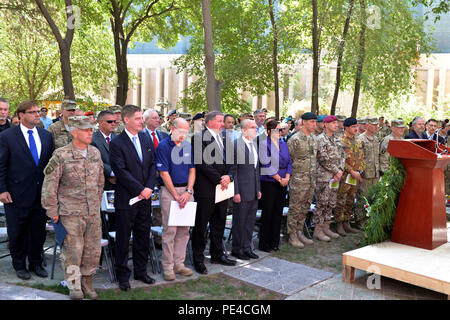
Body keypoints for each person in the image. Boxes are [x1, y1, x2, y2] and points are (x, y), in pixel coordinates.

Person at [41, 116, 103, 300]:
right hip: (70, 213)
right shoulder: (61, 155)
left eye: (91, 130)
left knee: (92, 250)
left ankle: (87, 281)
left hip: (92, 211)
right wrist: (52, 210)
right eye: (86, 130)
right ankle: (74, 285)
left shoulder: (95, 153)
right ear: (74, 132)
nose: (90, 133)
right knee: (73, 251)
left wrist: (96, 202)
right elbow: (49, 184)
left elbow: (100, 181)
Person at [0, 100, 54, 281]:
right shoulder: (7, 136)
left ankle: (36, 263)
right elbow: (1, 165)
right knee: (18, 232)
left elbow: (50, 166)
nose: (37, 114)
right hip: (16, 193)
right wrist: (2, 190)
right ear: (21, 115)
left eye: (38, 111)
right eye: (32, 112)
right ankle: (19, 265)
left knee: (38, 232)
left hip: (41, 194)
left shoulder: (46, 136)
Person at [109, 104, 157, 291]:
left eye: (141, 118)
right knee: (123, 238)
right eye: (137, 118)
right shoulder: (117, 143)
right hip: (126, 199)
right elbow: (120, 171)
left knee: (143, 236)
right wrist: (140, 189)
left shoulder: (145, 139)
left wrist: (148, 188)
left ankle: (141, 271)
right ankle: (122, 275)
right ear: (126, 120)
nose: (141, 121)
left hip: (145, 199)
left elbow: (152, 165)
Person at [191, 111, 237, 275]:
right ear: (209, 122)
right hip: (206, 189)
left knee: (219, 222)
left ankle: (217, 254)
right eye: (219, 121)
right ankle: (198, 259)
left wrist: (229, 177)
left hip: (223, 189)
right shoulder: (198, 138)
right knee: (201, 226)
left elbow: (232, 161)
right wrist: (220, 178)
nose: (222, 124)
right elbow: (202, 163)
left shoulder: (225, 138)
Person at [156, 118, 195, 281]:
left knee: (184, 231)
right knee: (170, 231)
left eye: (186, 132)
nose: (183, 135)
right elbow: (164, 173)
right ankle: (168, 266)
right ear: (172, 129)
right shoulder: (164, 146)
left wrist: (188, 191)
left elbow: (193, 169)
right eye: (180, 131)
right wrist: (177, 195)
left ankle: (179, 264)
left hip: (187, 191)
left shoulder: (188, 145)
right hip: (170, 191)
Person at [229, 119, 261, 260]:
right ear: (243, 130)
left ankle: (247, 247)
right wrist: (235, 192)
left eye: (256, 127)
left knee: (249, 222)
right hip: (241, 191)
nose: (256, 129)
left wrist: (258, 189)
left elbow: (256, 170)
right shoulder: (236, 146)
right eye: (252, 127)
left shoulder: (254, 144)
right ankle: (237, 249)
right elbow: (233, 171)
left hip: (253, 190)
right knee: (239, 222)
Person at [258, 119, 292, 252]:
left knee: (278, 213)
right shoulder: (263, 144)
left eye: (281, 129)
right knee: (268, 213)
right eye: (277, 129)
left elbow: (289, 161)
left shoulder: (283, 144)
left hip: (283, 182)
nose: (280, 132)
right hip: (269, 182)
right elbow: (266, 164)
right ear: (268, 131)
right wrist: (279, 179)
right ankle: (264, 243)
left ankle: (274, 241)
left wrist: (287, 178)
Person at [286, 112, 317, 247]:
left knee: (305, 207)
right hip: (298, 180)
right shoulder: (295, 139)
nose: (314, 124)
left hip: (311, 180)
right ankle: (292, 235)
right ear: (303, 122)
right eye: (311, 122)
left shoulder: (314, 139)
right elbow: (289, 159)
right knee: (295, 208)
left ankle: (299, 232)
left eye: (315, 122)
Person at [314, 115, 345, 241]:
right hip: (324, 177)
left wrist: (341, 170)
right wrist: (336, 171)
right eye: (333, 123)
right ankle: (318, 229)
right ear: (325, 125)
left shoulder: (337, 139)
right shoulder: (320, 139)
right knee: (322, 203)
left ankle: (326, 227)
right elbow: (323, 158)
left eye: (337, 123)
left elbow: (343, 155)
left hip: (335, 177)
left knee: (331, 202)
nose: (336, 125)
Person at [335, 117, 366, 236]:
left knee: (351, 199)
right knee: (341, 199)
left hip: (355, 176)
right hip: (345, 176)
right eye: (353, 127)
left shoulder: (358, 141)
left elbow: (362, 158)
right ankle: (339, 223)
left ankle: (347, 222)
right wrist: (351, 171)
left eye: (356, 126)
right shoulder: (340, 140)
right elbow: (340, 160)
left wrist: (359, 170)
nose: (356, 129)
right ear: (346, 128)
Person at [355, 116, 380, 228]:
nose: (376, 127)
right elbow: (358, 158)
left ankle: (369, 219)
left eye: (376, 125)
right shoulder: (360, 139)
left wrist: (378, 172)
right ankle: (360, 221)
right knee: (362, 198)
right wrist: (359, 173)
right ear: (367, 125)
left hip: (374, 173)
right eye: (373, 125)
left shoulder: (376, 139)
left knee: (372, 197)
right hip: (365, 174)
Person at [91, 110, 117, 192]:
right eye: (110, 121)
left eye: (114, 121)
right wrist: (111, 173)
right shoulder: (92, 139)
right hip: (101, 183)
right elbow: (94, 160)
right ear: (100, 123)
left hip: (120, 182)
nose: (113, 124)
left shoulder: (118, 138)